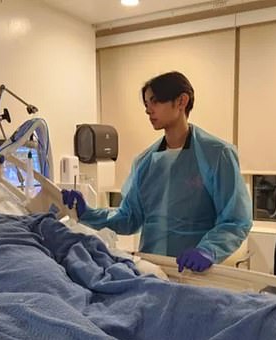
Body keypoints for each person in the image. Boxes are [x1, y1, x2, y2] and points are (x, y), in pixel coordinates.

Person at [62, 71, 252, 273]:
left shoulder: (216, 155)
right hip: (152, 268)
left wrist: (208, 250)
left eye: (154, 102)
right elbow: (129, 218)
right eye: (146, 104)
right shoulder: (145, 162)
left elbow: (235, 220)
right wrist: (87, 213)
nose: (148, 110)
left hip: (194, 271)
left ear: (181, 101)